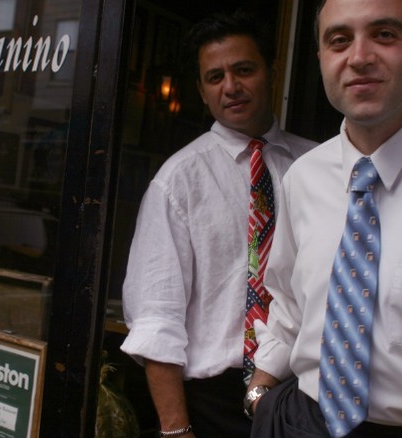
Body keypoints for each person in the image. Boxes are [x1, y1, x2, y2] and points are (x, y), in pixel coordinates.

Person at [245, 0, 402, 437]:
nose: (359, 57)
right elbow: (288, 299)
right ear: (322, 60)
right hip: (298, 419)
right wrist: (260, 391)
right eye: (339, 40)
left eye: (384, 35)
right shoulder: (303, 177)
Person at [119, 9, 315, 438]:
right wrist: (175, 429)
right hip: (216, 405)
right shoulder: (178, 181)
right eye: (215, 77)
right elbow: (156, 318)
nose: (231, 86)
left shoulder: (320, 167)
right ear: (201, 91)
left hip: (309, 395)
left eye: (244, 69)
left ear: (272, 72)